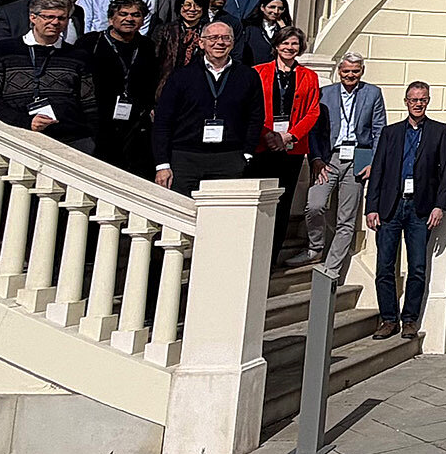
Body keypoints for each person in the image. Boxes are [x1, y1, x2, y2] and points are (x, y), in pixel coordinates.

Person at [365, 80, 446, 340]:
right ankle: (388, 319)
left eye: (422, 100)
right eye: (414, 100)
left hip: (420, 208)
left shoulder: (439, 131)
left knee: (417, 267)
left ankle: (410, 320)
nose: (418, 104)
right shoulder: (390, 133)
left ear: (428, 101)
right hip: (390, 208)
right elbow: (378, 170)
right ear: (406, 102)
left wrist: (440, 206)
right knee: (384, 267)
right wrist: (371, 207)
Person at [153, 19, 263, 194]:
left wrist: (247, 153)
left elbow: (255, 117)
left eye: (226, 38)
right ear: (201, 43)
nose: (220, 42)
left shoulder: (248, 76)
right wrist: (162, 164)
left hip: (229, 158)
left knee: (223, 210)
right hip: (185, 158)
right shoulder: (181, 76)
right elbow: (163, 120)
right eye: (213, 38)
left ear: (233, 43)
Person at [0, 0, 98, 152]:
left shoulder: (78, 56)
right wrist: (25, 121)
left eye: (61, 18)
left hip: (71, 139)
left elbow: (89, 103)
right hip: (17, 135)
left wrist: (91, 138)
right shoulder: (0, 51)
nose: (55, 22)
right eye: (48, 17)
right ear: (33, 17)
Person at [308, 52, 387, 278]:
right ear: (339, 71)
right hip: (329, 158)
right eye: (346, 71)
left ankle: (331, 268)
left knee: (346, 218)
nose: (350, 75)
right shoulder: (325, 93)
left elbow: (379, 130)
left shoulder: (373, 93)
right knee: (315, 204)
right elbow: (314, 130)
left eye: (355, 71)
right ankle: (315, 246)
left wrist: (374, 162)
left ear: (362, 71)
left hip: (358, 158)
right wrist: (316, 158)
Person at [252, 26, 321, 266]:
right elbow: (252, 109)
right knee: (258, 201)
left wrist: (289, 136)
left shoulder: (309, 76)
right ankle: (252, 255)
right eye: (285, 43)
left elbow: (313, 112)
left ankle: (270, 260)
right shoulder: (258, 72)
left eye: (294, 44)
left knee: (282, 204)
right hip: (262, 147)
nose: (289, 48)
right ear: (276, 45)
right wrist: (269, 136)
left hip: (291, 149)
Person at [86, 0, 157, 176]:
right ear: (111, 18)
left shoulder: (147, 46)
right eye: (123, 14)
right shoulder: (91, 43)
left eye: (136, 15)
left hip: (135, 123)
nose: (129, 19)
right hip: (99, 120)